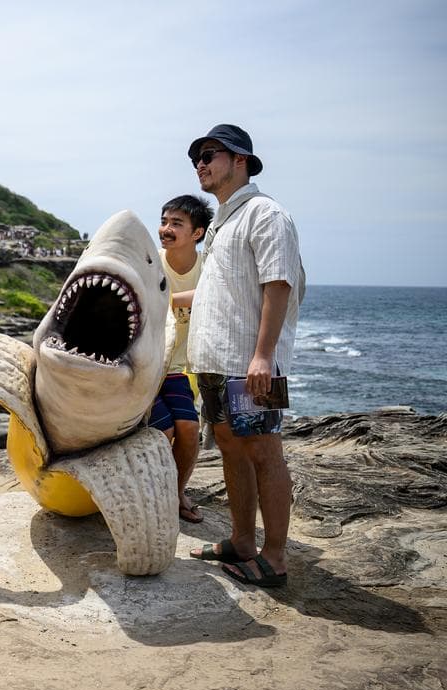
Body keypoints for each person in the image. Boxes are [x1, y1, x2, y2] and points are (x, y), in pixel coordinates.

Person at [184, 124, 304, 588]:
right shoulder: (222, 220)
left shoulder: (265, 213)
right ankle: (241, 541)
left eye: (210, 153)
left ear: (240, 161)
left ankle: (274, 559)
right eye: (197, 156)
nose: (200, 162)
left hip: (250, 362)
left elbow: (278, 284)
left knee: (264, 454)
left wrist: (263, 357)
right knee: (231, 450)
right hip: (215, 360)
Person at [147, 194, 212, 524]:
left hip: (181, 368)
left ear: (197, 233)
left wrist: (167, 299)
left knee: (189, 427)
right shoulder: (150, 262)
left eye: (176, 223)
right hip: (145, 365)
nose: (165, 229)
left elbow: (217, 295)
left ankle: (176, 492)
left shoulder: (207, 267)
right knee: (164, 430)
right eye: (164, 221)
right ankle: (152, 496)